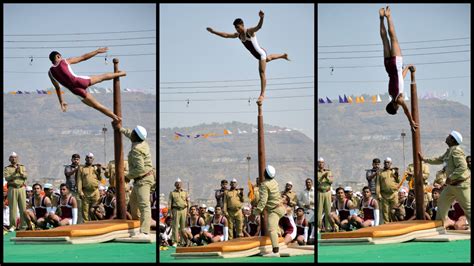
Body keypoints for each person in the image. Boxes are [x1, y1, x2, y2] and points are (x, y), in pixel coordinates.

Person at [207, 10, 289, 105]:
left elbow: (259, 27)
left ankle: (262, 95)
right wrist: (213, 32)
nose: (237, 29)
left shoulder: (249, 31)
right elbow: (225, 35)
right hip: (257, 55)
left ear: (242, 25)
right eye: (235, 28)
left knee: (262, 72)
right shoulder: (238, 35)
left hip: (260, 54)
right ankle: (283, 55)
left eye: (237, 27)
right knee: (269, 58)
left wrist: (261, 18)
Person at [48, 48, 125, 122]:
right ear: (58, 56)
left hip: (76, 91)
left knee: (96, 106)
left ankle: (116, 118)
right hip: (80, 81)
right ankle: (121, 73)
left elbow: (57, 88)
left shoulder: (50, 73)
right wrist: (97, 51)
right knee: (101, 77)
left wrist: (61, 102)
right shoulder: (64, 61)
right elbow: (83, 57)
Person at [112, 122, 156, 239]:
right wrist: (120, 129)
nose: (131, 133)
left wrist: (127, 176)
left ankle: (145, 231)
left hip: (143, 179)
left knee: (144, 205)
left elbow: (140, 168)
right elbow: (129, 133)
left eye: (133, 133)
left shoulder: (137, 149)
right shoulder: (142, 142)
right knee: (133, 204)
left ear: (136, 136)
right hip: (140, 180)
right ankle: (138, 226)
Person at [419, 130, 471, 228]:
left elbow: (462, 167)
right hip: (451, 186)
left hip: (461, 185)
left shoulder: (456, 151)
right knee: (442, 204)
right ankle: (440, 227)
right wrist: (425, 159)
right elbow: (439, 159)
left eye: (449, 136)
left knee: (468, 208)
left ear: (453, 140)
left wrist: (451, 177)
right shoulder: (449, 150)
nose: (447, 137)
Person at [379, 6, 418, 131]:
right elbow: (400, 78)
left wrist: (411, 121)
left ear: (395, 107)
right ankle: (381, 18)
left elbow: (407, 110)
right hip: (388, 67)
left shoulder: (399, 99)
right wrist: (407, 67)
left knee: (393, 38)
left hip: (395, 64)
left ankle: (388, 16)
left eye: (397, 109)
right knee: (384, 40)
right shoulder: (391, 93)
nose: (399, 108)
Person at [253, 165, 286, 257]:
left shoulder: (264, 184)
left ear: (265, 174)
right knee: (275, 227)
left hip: (274, 210)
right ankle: (280, 232)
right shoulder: (275, 182)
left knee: (271, 229)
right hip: (281, 208)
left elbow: (263, 200)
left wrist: (257, 210)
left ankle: (275, 251)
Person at [4, 152, 28, 231]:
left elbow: (25, 176)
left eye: (15, 157)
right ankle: (13, 226)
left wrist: (20, 172)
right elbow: (7, 178)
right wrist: (15, 173)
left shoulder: (22, 167)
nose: (14, 159)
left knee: (23, 207)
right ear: (9, 159)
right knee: (13, 208)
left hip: (21, 188)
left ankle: (23, 226)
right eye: (12, 157)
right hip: (12, 188)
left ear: (17, 158)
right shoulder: (7, 168)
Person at [76, 152, 102, 221]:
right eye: (87, 157)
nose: (89, 159)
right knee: (85, 211)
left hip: (95, 192)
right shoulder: (81, 168)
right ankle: (86, 226)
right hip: (85, 192)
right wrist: (80, 192)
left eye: (90, 158)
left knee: (96, 210)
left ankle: (96, 225)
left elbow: (101, 179)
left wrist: (99, 171)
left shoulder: (95, 168)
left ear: (93, 159)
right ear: (85, 159)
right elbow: (79, 181)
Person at [376, 157, 400, 224]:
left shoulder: (394, 171)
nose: (386, 164)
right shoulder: (380, 173)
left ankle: (395, 224)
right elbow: (378, 184)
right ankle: (387, 225)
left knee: (394, 211)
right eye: (385, 162)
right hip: (384, 195)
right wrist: (378, 194)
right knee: (385, 212)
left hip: (394, 194)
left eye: (388, 162)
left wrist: (397, 175)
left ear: (391, 163)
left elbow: (398, 181)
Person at [168, 178, 190, 247]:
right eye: (177, 183)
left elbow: (188, 202)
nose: (178, 184)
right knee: (175, 226)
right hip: (175, 210)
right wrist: (170, 212)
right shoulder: (172, 193)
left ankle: (183, 241)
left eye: (180, 183)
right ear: (175, 184)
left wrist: (188, 212)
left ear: (182, 184)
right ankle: (175, 241)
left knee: (183, 227)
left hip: (184, 210)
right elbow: (169, 203)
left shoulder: (185, 192)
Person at [64, 153, 83, 223]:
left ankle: (79, 223)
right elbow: (67, 174)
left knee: (79, 208)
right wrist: (75, 170)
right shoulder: (68, 167)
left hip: (78, 191)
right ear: (72, 160)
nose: (76, 161)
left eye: (77, 159)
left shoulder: (81, 168)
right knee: (70, 207)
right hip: (70, 191)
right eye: (74, 159)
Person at [316, 157, 332, 234]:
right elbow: (317, 183)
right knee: (319, 210)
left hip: (328, 192)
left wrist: (327, 177)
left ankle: (328, 227)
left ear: (324, 163)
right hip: (320, 192)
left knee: (328, 210)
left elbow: (331, 181)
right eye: (319, 162)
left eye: (322, 162)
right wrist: (322, 177)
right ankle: (318, 227)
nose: (320, 164)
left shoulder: (329, 172)